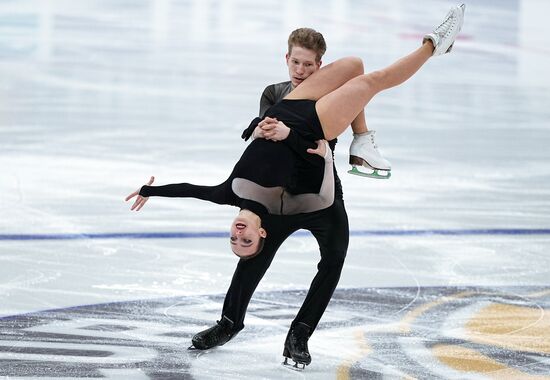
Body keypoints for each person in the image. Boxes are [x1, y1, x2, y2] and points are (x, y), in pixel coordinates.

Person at [126, 4, 466, 369]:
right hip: (316, 182)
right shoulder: (274, 95)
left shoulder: (232, 192)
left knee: (355, 65)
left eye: (235, 239)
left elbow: (194, 187)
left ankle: (363, 138)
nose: (239, 235)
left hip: (303, 124)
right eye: (246, 240)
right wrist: (293, 138)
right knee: (367, 85)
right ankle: (268, 329)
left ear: (318, 64)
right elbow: (302, 155)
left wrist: (151, 191)